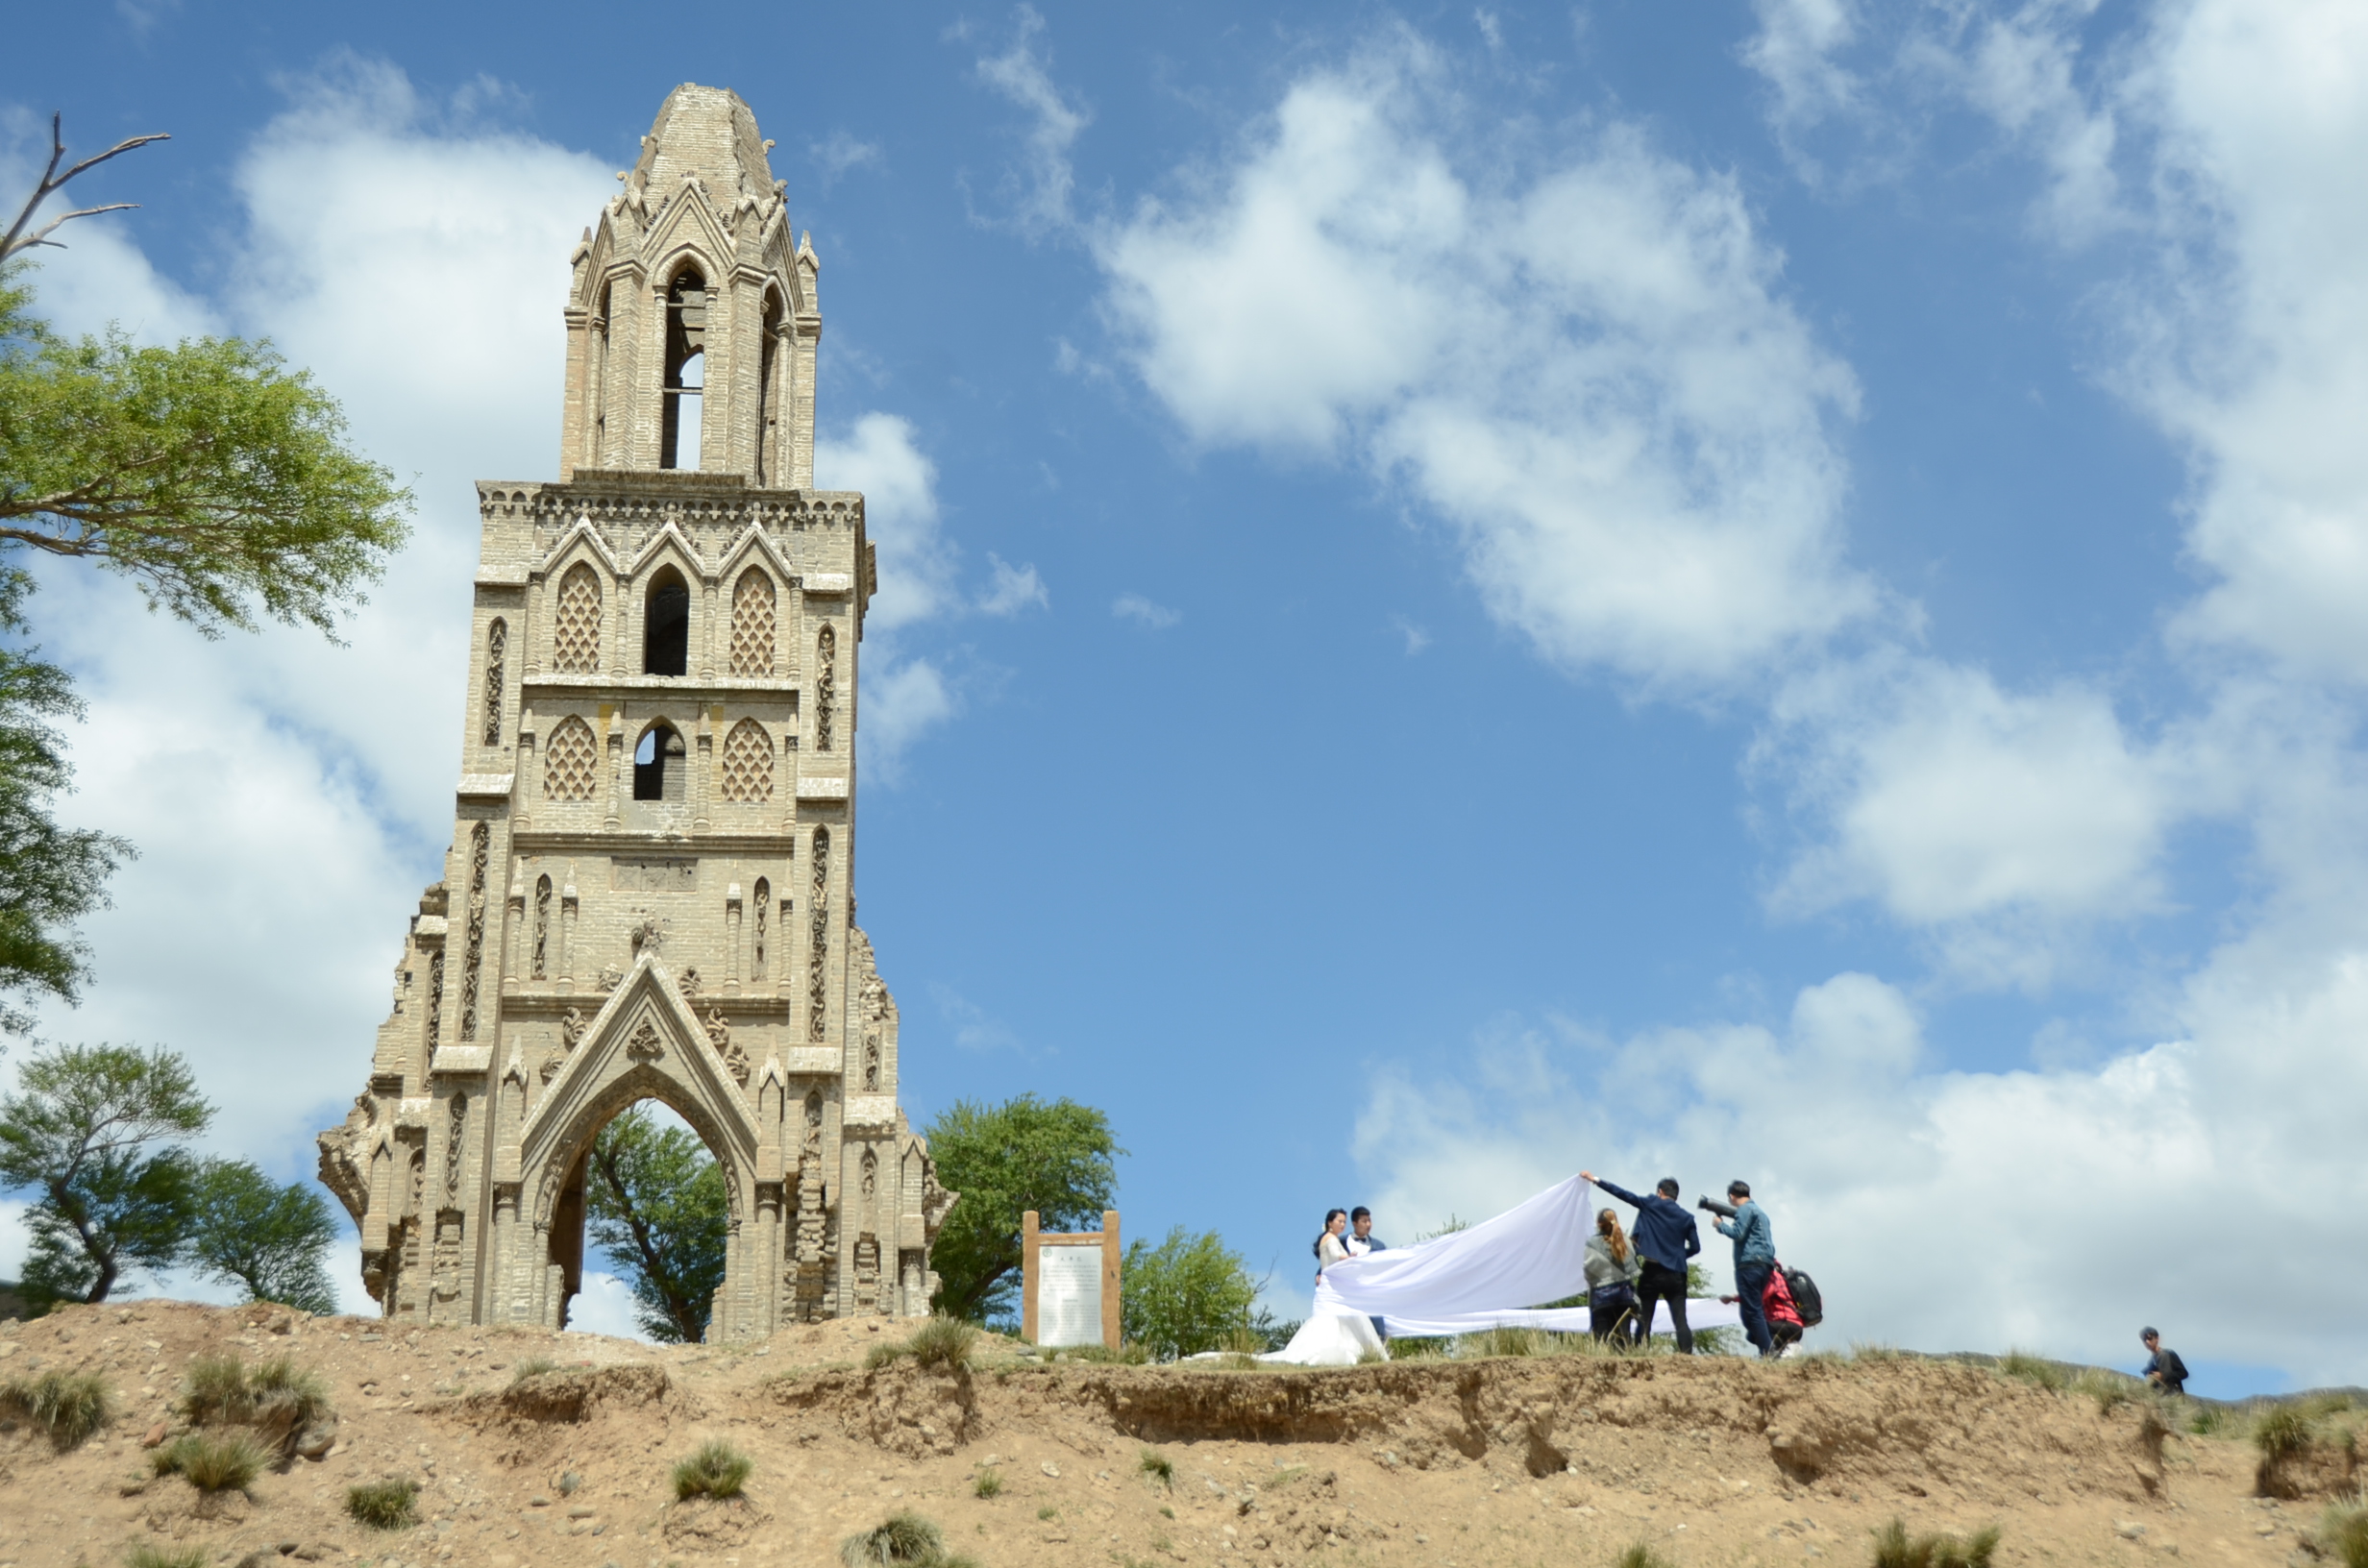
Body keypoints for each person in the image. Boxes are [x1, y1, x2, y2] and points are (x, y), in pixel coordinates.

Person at [1582, 1170, 1702, 1353]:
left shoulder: (1651, 1204)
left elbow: (1623, 1194)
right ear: (1675, 1196)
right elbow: (1695, 1247)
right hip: (1677, 1273)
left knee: (1644, 1318)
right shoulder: (1687, 1218)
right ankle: (1686, 1355)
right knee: (1680, 1319)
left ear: (1660, 1192)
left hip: (1652, 1270)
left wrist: (1596, 1180)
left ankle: (1640, 1354)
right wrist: (1676, 1255)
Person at [1708, 1180, 1777, 1359]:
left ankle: (1770, 1351)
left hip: (1749, 1264)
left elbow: (1737, 1234)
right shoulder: (1761, 1212)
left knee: (1753, 1310)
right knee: (1749, 1311)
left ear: (1731, 1196)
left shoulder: (1745, 1210)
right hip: (1765, 1265)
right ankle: (1766, 1348)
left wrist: (1719, 1225)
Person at [1584, 1207, 1644, 1345]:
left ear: (1599, 1224)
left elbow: (1587, 1268)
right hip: (1625, 1297)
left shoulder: (1592, 1243)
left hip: (1601, 1298)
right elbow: (1631, 1267)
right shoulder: (1626, 1241)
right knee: (1623, 1341)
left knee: (1602, 1342)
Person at [1722, 1264, 1803, 1357]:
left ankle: (1789, 1346)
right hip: (1783, 1324)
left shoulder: (1773, 1278)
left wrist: (1733, 1298)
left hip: (1789, 1323)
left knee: (1759, 1331)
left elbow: (1756, 1298)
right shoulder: (1767, 1278)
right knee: (1752, 1335)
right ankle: (1779, 1352)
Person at [1345, 1207, 1388, 1340]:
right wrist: (1319, 1274)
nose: (1368, 1224)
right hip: (1347, 1292)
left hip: (1371, 1292)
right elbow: (1329, 1258)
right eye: (1364, 1221)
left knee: (1378, 1328)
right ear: (1354, 1223)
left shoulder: (1379, 1246)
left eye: (1369, 1220)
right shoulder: (1341, 1242)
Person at [2141, 1328, 2187, 1395]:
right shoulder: (2151, 1361)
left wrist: (2163, 1376)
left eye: (2149, 1338)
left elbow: (2184, 1373)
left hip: (2173, 1394)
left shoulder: (2167, 1353)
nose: (2147, 1342)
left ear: (2157, 1339)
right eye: (2144, 1340)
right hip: (2158, 1395)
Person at [1313, 1208, 1349, 1280]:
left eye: (1344, 1222)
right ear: (1330, 1223)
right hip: (1332, 1280)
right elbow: (1335, 1254)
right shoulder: (1331, 1238)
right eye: (1340, 1221)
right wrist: (1350, 1258)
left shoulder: (1332, 1238)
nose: (1342, 1224)